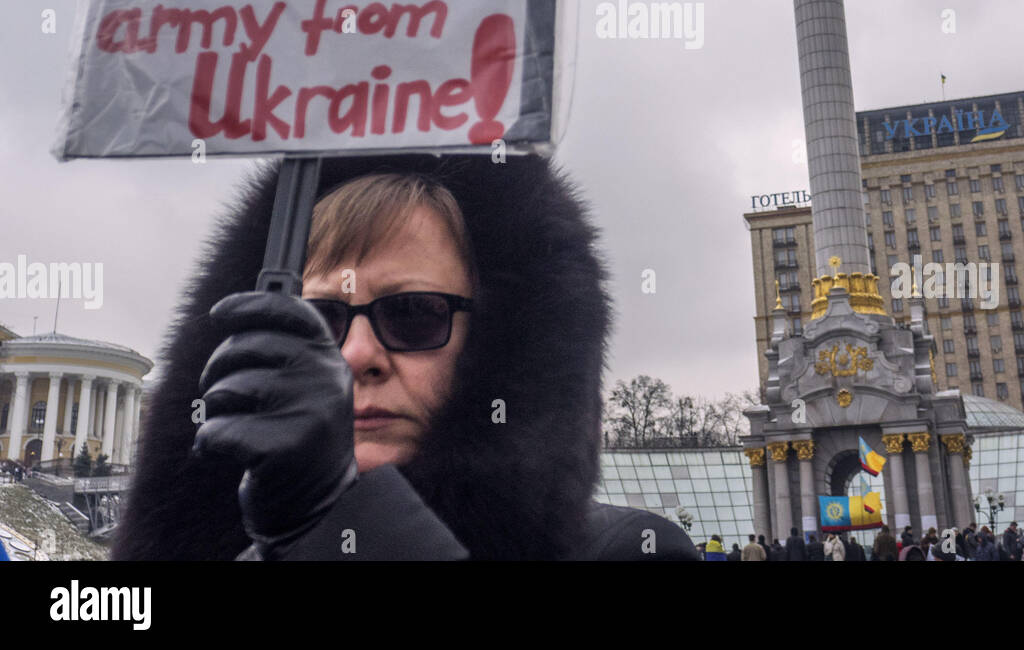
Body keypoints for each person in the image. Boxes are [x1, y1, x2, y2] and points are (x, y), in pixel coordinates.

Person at [112, 155, 699, 561]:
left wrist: (327, 520)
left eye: (413, 313)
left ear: (495, 349)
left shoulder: (630, 548)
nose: (356, 353)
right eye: (320, 320)